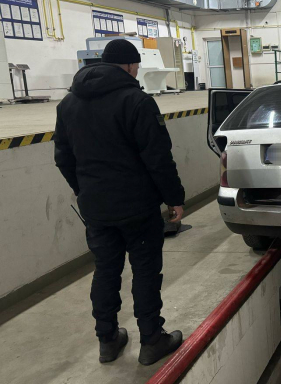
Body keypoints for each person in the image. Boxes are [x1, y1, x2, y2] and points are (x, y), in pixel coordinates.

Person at [54, 39, 185, 365]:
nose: (137, 70)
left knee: (106, 270)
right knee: (144, 271)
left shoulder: (68, 104)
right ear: (128, 65)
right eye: (137, 65)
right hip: (137, 207)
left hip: (96, 209)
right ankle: (152, 340)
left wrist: (84, 190)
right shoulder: (137, 102)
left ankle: (108, 340)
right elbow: (158, 159)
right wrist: (174, 199)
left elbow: (63, 158)